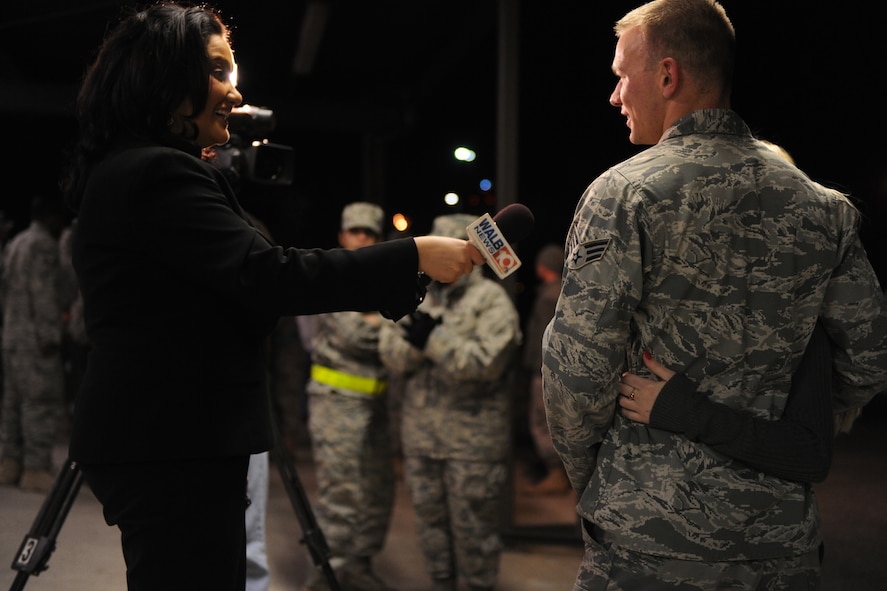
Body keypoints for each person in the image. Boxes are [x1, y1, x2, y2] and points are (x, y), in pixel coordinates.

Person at [59, 4, 484, 591]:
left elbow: (250, 278)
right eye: (217, 72)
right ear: (163, 80)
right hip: (172, 443)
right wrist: (411, 255)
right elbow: (268, 274)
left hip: (175, 439)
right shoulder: (154, 172)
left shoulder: (146, 170)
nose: (235, 95)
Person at [541, 1, 887, 589]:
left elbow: (576, 372)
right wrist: (783, 437)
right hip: (778, 544)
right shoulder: (822, 206)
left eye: (622, 76)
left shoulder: (624, 194)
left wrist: (602, 478)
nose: (615, 95)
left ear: (668, 75)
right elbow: (870, 357)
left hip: (649, 540)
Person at [379, 213, 522, 591]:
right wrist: (415, 345)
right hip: (422, 439)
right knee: (430, 532)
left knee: (475, 536)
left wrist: (433, 343)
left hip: (471, 444)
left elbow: (488, 363)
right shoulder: (415, 297)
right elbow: (391, 356)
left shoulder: (490, 300)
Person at [303, 202, 396, 591]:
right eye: (355, 231)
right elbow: (359, 336)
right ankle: (327, 574)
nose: (363, 239)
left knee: (377, 492)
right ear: (342, 236)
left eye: (370, 233)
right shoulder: (331, 275)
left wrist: (381, 321)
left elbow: (392, 327)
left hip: (376, 404)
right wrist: (386, 323)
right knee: (340, 493)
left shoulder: (384, 278)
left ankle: (358, 564)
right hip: (336, 401)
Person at [0, 194, 68, 493]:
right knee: (38, 403)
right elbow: (43, 295)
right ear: (51, 217)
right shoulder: (42, 245)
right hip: (34, 339)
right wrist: (50, 335)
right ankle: (36, 468)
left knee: (12, 404)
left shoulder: (15, 243)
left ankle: (9, 463)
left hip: (12, 335)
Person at [519, 244, 570, 495]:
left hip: (543, 370)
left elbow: (543, 335)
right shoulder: (563, 292)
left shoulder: (549, 296)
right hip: (554, 369)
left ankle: (556, 472)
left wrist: (535, 365)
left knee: (542, 420)